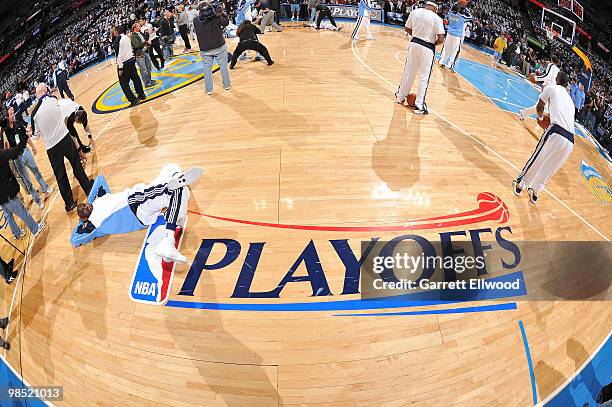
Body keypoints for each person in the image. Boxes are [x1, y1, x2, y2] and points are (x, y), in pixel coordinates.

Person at [76, 165, 203, 263]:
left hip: (139, 197)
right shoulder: (94, 224)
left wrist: (89, 200)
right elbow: (75, 239)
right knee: (173, 190)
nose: (84, 207)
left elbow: (99, 179)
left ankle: (175, 204)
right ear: (85, 217)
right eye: (83, 210)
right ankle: (167, 240)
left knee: (170, 168)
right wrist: (82, 222)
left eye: (84, 205)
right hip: (135, 206)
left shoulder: (99, 198)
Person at [513, 72, 575, 204]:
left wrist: (541, 118)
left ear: (557, 79)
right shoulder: (570, 100)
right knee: (551, 167)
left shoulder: (552, 88)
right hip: (570, 141)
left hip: (556, 131)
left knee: (538, 157)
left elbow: (539, 107)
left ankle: (521, 183)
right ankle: (535, 191)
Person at [30, 84, 92, 212]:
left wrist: (30, 132)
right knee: (76, 164)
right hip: (65, 138)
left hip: (52, 147)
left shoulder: (34, 114)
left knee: (60, 175)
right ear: (46, 91)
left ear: (37, 94)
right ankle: (88, 188)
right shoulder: (53, 99)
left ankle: (69, 203)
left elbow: (36, 136)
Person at [395, 1, 445, 115]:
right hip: (427, 48)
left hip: (414, 44)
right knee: (424, 77)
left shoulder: (415, 11)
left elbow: (407, 29)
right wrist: (432, 43)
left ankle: (400, 97)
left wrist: (418, 35)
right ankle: (419, 105)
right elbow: (441, 39)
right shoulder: (437, 18)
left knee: (408, 72)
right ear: (435, 8)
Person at [2, 107, 53, 209]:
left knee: (36, 170)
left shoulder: (18, 124)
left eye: (13, 113)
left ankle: (45, 187)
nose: (13, 115)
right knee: (27, 181)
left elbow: (25, 136)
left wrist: (33, 147)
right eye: (11, 114)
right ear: (7, 117)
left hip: (26, 152)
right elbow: (6, 148)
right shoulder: (5, 132)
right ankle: (38, 200)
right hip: (17, 158)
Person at [0, 127, 45, 239]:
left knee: (8, 214)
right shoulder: (1, 154)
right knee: (21, 210)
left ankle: (17, 233)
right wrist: (25, 137)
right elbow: (17, 151)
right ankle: (35, 229)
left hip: (1, 197)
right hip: (6, 194)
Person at [193, 1, 232, 95]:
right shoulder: (216, 17)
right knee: (223, 66)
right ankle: (227, 85)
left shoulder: (195, 20)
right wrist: (221, 13)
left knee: (207, 69)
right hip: (219, 46)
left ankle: (209, 90)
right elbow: (226, 22)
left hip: (205, 49)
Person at [112, 25, 147, 107]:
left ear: (116, 31)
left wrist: (120, 68)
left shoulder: (117, 40)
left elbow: (119, 55)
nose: (113, 32)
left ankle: (133, 100)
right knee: (136, 79)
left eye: (114, 31)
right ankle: (141, 95)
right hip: (131, 60)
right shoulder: (127, 37)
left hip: (124, 63)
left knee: (123, 84)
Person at [519, 56, 560, 121]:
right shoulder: (558, 70)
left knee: (541, 107)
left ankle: (524, 113)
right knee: (545, 108)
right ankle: (526, 114)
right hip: (553, 90)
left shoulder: (551, 65)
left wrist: (536, 78)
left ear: (551, 59)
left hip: (548, 88)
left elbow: (547, 76)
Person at [438, 1, 472, 72]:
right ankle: (450, 65)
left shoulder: (450, 14)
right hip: (457, 36)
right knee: (455, 51)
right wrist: (465, 8)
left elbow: (452, 8)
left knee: (446, 48)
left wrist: (457, 3)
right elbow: (470, 17)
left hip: (449, 34)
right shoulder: (462, 17)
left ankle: (442, 61)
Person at [131, 22, 156, 88]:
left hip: (145, 52)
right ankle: (146, 83)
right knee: (143, 69)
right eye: (139, 26)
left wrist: (147, 34)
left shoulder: (141, 33)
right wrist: (146, 42)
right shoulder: (133, 36)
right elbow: (137, 45)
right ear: (134, 28)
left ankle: (149, 80)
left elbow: (145, 40)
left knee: (149, 67)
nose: (140, 27)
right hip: (139, 55)